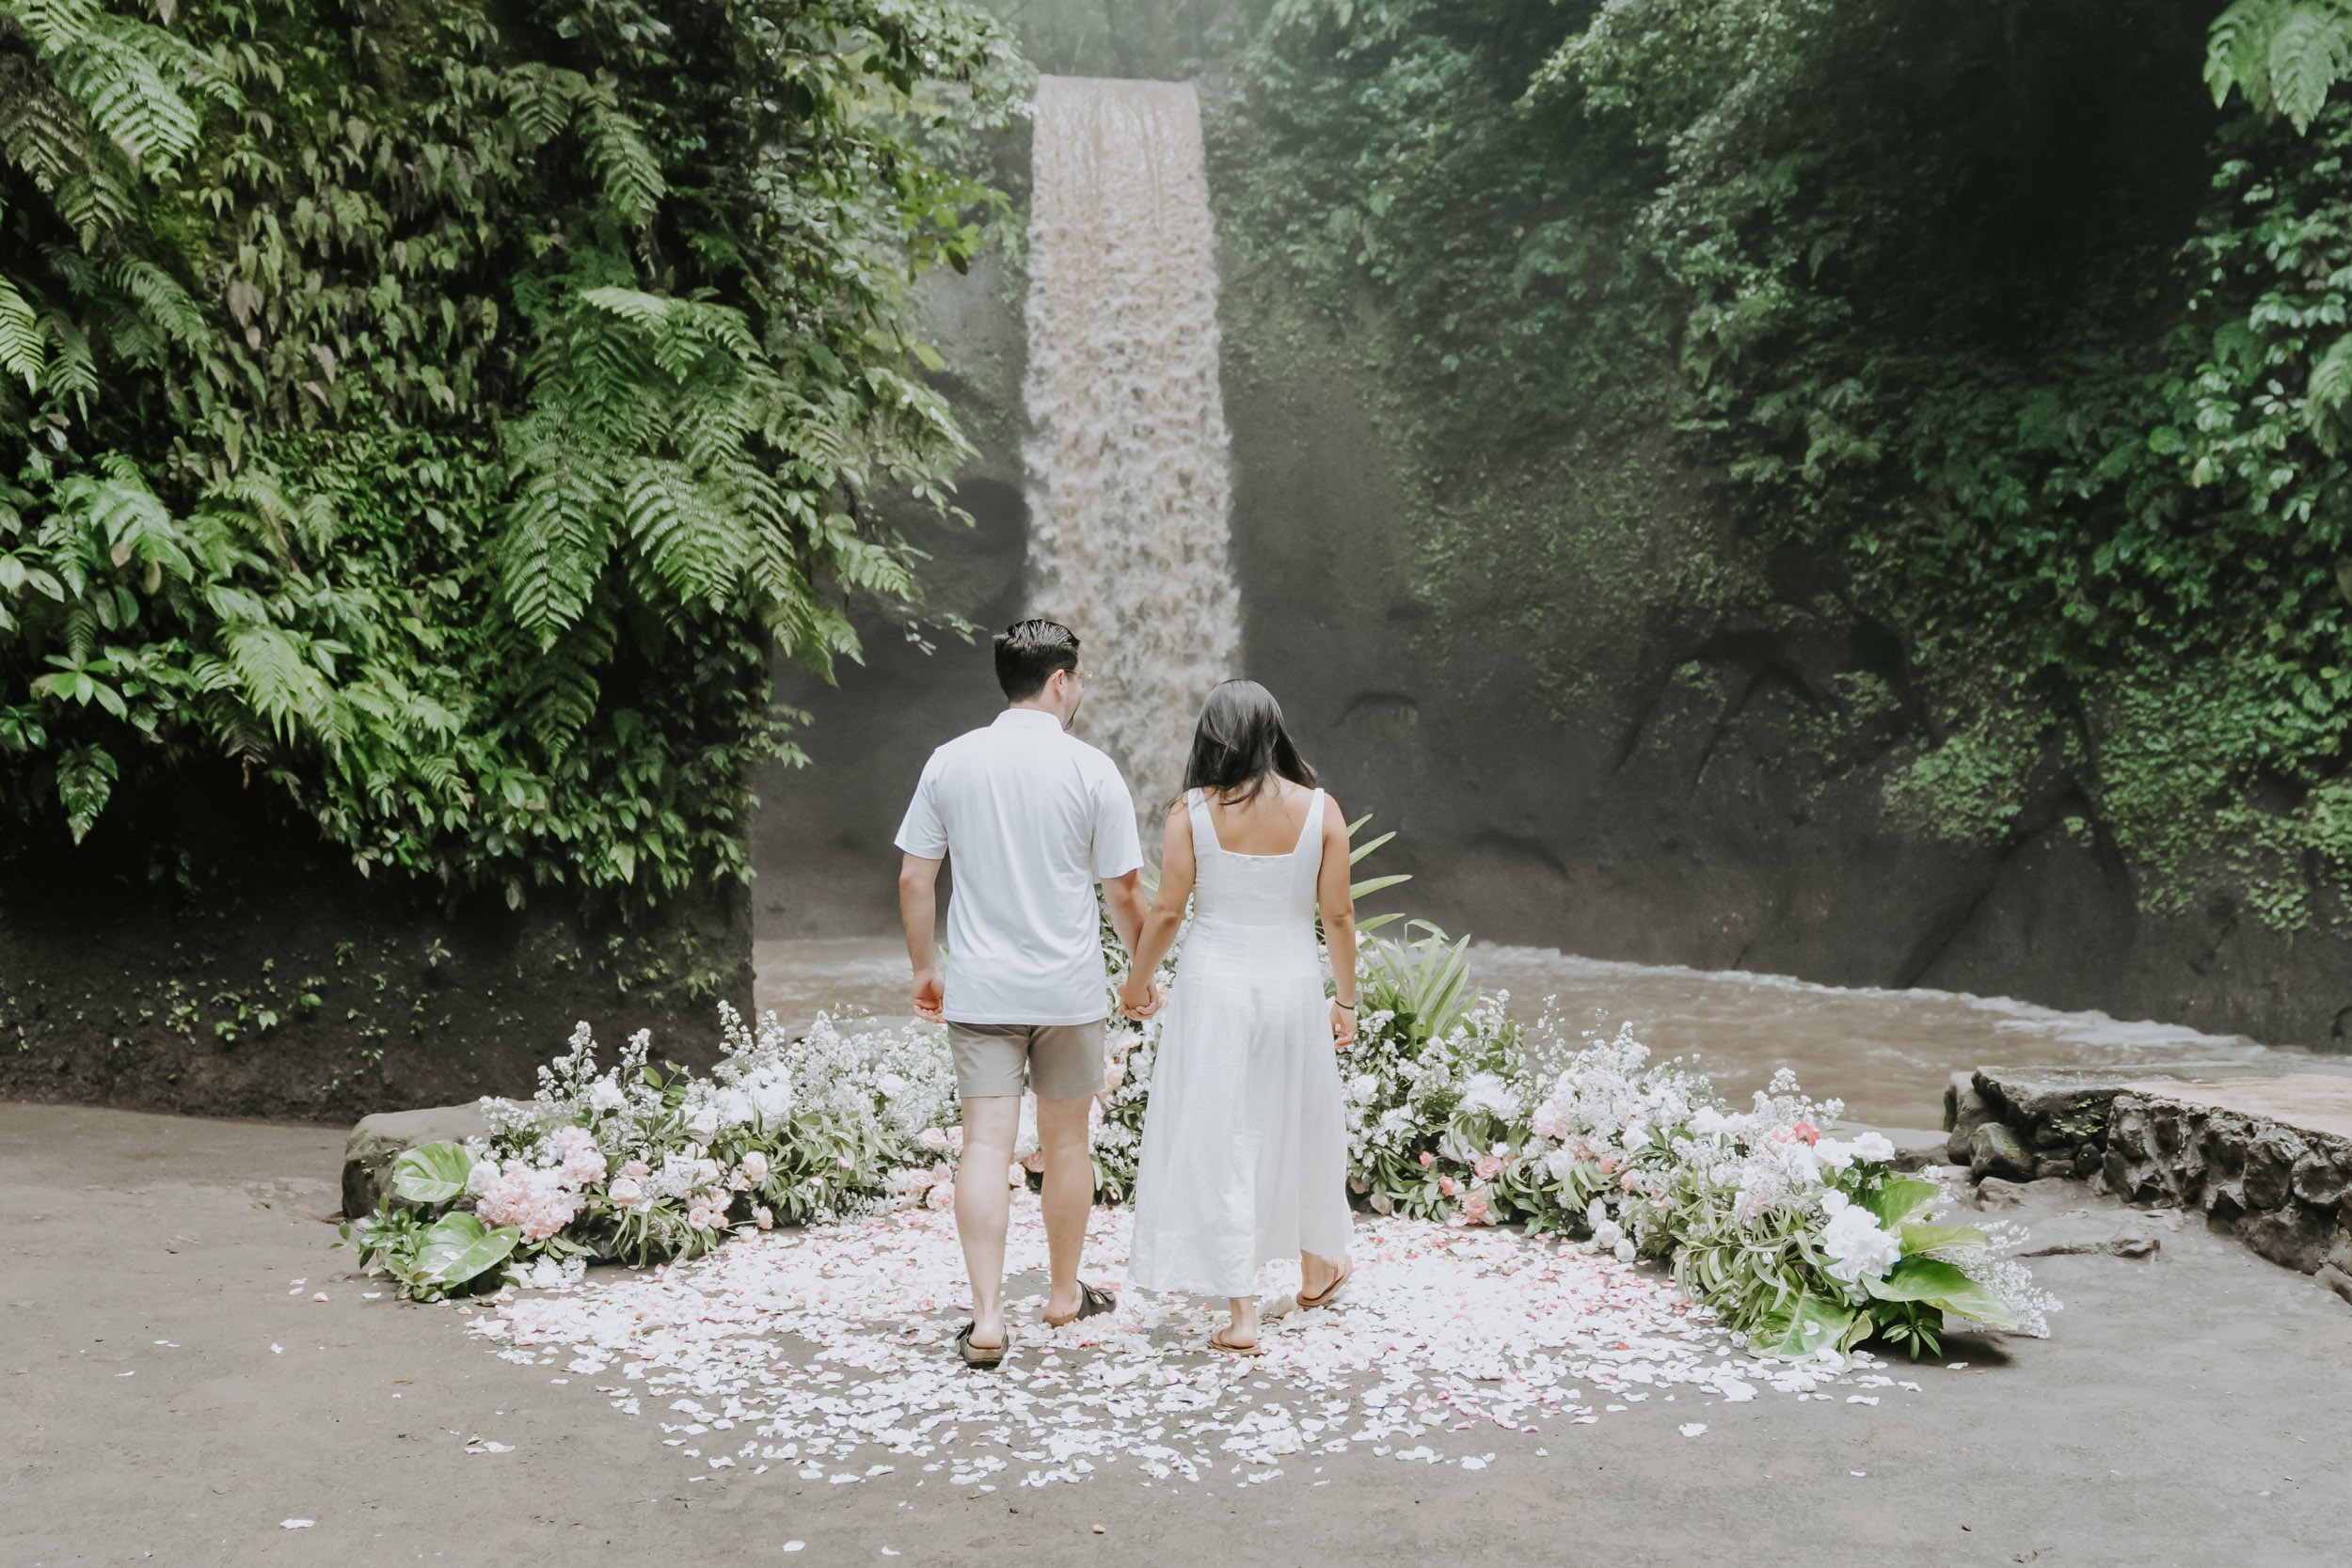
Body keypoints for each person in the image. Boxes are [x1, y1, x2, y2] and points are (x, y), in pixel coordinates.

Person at [896, 618, 1149, 1369]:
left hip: (981, 988)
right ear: (1061, 680)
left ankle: (986, 1318)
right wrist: (1140, 975)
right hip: (1067, 991)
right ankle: (1065, 1293)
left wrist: (922, 968)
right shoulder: (1092, 769)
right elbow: (1126, 892)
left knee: (984, 1145)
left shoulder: (951, 761)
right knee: (1068, 1140)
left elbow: (916, 876)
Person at [1117, 679, 1356, 1353]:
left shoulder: (1191, 810)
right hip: (1291, 985)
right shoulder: (1322, 810)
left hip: (1214, 984)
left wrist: (1136, 982)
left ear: (1212, 738)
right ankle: (1316, 1269)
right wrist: (1347, 1000)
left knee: (1226, 1133)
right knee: (1300, 1121)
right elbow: (1337, 914)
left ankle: (1243, 1311)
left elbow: (1167, 911)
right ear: (1275, 733)